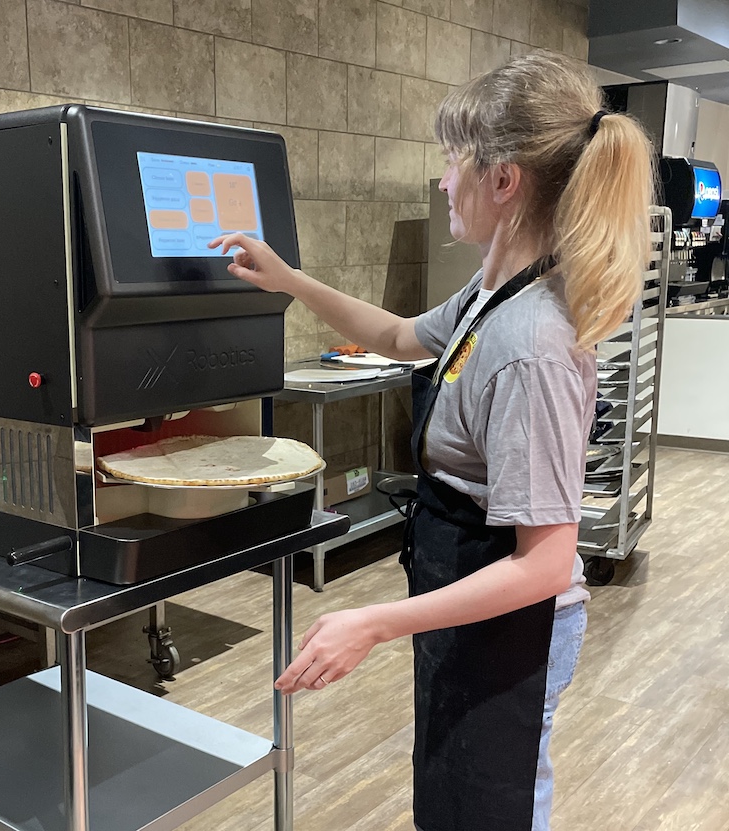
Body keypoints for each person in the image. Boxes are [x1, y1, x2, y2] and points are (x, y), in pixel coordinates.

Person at [210, 51, 654, 831]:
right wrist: (289, 280)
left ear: (503, 179)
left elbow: (546, 559)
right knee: (453, 799)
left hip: (521, 619)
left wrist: (373, 620)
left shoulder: (531, 344)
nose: (445, 181)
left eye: (453, 162)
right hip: (469, 597)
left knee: (495, 803)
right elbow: (393, 333)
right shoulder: (494, 291)